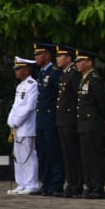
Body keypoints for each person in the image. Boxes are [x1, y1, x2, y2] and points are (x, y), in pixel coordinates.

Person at [74, 50, 105, 199]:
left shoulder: (94, 79)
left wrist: (104, 118)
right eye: (77, 61)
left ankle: (98, 187)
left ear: (89, 63)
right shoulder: (83, 79)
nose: (78, 64)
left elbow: (101, 102)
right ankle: (90, 185)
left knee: (94, 157)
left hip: (92, 123)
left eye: (81, 61)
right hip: (83, 123)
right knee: (86, 157)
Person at [32, 42, 63, 196]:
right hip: (41, 118)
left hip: (51, 118)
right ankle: (46, 182)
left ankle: (56, 183)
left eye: (39, 54)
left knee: (53, 152)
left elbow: (61, 96)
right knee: (43, 153)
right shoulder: (42, 73)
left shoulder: (55, 72)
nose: (36, 57)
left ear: (47, 55)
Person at [54, 44, 83, 197]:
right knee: (67, 154)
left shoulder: (73, 73)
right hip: (63, 119)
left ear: (69, 58)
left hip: (70, 119)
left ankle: (77, 184)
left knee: (73, 153)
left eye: (61, 56)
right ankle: (71, 183)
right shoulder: (64, 74)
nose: (58, 59)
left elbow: (78, 97)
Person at [7, 58, 39, 195]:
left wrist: (16, 122)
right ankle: (21, 183)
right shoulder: (20, 86)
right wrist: (10, 121)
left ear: (26, 70)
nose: (16, 71)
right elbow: (15, 106)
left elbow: (30, 107)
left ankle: (31, 184)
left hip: (26, 126)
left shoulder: (32, 84)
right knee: (18, 156)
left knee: (28, 156)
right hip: (17, 126)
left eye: (18, 69)